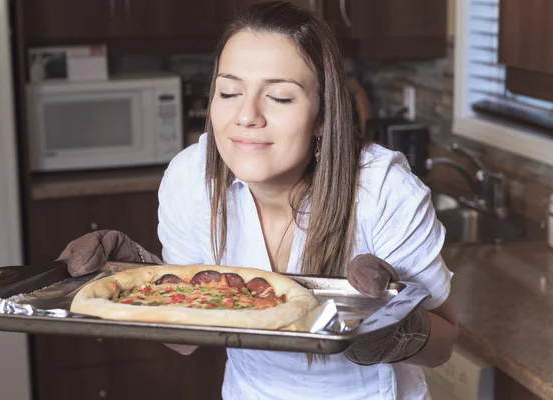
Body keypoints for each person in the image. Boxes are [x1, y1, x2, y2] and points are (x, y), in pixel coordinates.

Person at [58, 1, 458, 398]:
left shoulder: (383, 191)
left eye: (280, 97)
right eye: (229, 92)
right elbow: (186, 339)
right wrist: (133, 283)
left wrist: (395, 329)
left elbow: (444, 342)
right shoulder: (191, 180)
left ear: (322, 116)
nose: (246, 115)